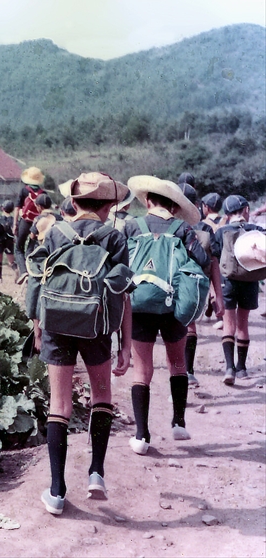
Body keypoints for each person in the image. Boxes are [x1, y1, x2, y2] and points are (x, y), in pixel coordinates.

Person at [27, 172, 134, 515]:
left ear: (73, 202)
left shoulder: (56, 231)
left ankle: (57, 491)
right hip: (98, 329)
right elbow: (124, 295)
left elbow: (36, 281)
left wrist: (37, 324)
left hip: (57, 324)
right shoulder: (114, 238)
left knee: (59, 405)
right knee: (102, 396)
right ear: (108, 206)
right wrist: (125, 343)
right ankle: (96, 474)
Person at [124, 176, 209, 456]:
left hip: (138, 305)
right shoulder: (183, 228)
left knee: (142, 371)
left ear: (147, 201)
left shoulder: (132, 225)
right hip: (173, 307)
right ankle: (178, 422)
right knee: (177, 363)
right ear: (174, 206)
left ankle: (141, 435)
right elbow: (203, 261)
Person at [177, 175, 224, 387]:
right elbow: (213, 262)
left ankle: (180, 373)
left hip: (168, 283)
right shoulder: (203, 227)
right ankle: (187, 370)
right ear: (196, 204)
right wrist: (217, 295)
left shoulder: (167, 224)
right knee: (189, 325)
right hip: (193, 284)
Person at [213, 195, 264, 385]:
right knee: (243, 324)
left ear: (226, 215)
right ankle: (242, 369)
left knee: (228, 325)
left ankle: (229, 368)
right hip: (250, 281)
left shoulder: (221, 232)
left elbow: (216, 258)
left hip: (228, 282)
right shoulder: (256, 230)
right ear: (246, 211)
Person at [14, 167, 46, 282]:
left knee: (18, 248)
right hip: (38, 223)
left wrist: (15, 224)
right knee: (31, 248)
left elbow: (17, 208)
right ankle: (31, 271)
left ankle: (23, 272)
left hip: (25, 221)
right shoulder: (44, 193)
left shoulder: (24, 191)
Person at [24, 194, 61, 259]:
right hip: (55, 247)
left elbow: (32, 236)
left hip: (42, 248)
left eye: (37, 206)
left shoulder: (38, 218)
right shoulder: (58, 217)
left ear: (40, 207)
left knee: (29, 249)